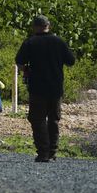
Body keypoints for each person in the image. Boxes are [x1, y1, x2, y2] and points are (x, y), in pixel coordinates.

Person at [15, 15, 76, 162]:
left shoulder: (30, 42)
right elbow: (71, 61)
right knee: (53, 119)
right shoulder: (59, 41)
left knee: (37, 119)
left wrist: (26, 70)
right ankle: (52, 152)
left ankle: (43, 152)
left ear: (35, 27)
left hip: (37, 87)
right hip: (55, 87)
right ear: (49, 26)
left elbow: (20, 62)